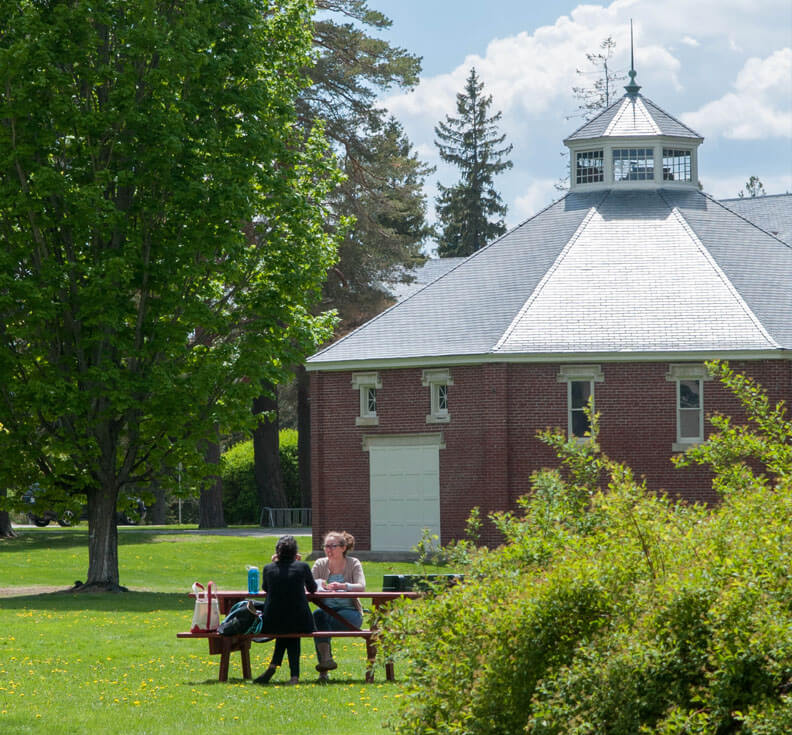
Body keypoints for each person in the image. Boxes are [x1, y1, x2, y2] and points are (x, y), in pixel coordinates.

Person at [253, 534, 316, 685]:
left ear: (277, 552)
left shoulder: (269, 568)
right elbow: (312, 588)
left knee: (285, 631)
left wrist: (274, 562)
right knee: (291, 632)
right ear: (295, 552)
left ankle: (273, 666)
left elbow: (265, 588)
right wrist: (298, 564)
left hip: (272, 621)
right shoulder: (303, 567)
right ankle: (294, 676)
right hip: (301, 621)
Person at [311, 530, 366, 683]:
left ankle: (324, 668)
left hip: (351, 614)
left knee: (321, 624)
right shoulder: (320, 564)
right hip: (327, 612)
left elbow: (361, 586)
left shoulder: (353, 563)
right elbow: (305, 586)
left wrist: (343, 586)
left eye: (332, 546)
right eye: (326, 546)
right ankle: (325, 664)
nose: (328, 550)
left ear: (343, 548)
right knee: (318, 616)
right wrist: (318, 585)